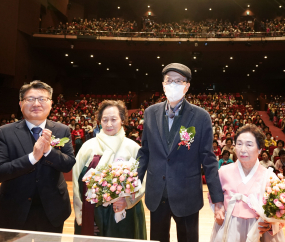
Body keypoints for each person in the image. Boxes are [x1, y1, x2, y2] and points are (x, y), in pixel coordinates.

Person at [137, 63, 224, 242]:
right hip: (157, 193)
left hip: (187, 194)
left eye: (179, 81)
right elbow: (145, 152)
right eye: (169, 81)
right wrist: (133, 182)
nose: (173, 85)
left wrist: (218, 199)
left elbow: (208, 159)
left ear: (187, 86)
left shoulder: (200, 116)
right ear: (163, 84)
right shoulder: (150, 113)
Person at [0, 81, 75, 232]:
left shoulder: (62, 130)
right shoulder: (4, 132)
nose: (36, 103)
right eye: (30, 99)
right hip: (14, 209)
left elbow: (68, 164)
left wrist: (49, 152)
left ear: (51, 104)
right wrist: (32, 158)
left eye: (42, 99)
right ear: (21, 104)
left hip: (53, 209)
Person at [73, 100, 146, 239]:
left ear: (122, 120)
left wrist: (128, 201)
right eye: (105, 120)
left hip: (126, 210)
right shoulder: (88, 147)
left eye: (114, 119)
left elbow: (143, 180)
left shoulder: (133, 147)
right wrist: (83, 213)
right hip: (94, 211)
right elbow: (76, 182)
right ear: (99, 121)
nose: (109, 124)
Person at [210, 124, 285, 241]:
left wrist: (272, 225)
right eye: (239, 144)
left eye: (249, 144)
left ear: (260, 149)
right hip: (230, 227)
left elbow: (280, 209)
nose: (243, 149)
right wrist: (218, 207)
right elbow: (213, 195)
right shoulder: (223, 172)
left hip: (258, 229)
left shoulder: (269, 176)